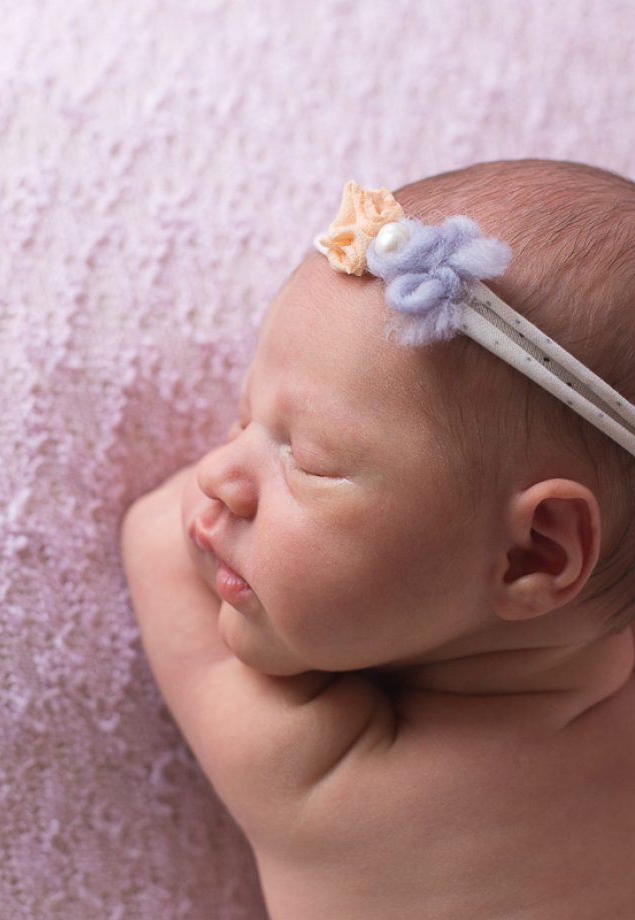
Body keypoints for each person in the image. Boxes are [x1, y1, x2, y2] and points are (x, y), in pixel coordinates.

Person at [120, 159, 635, 919]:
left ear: (536, 554)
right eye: (243, 418)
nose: (218, 474)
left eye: (308, 461)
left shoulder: (340, 782)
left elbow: (153, 537)